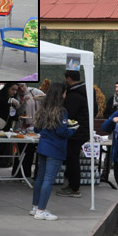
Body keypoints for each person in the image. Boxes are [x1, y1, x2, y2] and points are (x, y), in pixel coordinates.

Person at [30, 83, 76, 221]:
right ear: (61, 94)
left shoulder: (43, 109)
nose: (65, 95)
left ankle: (35, 207)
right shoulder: (61, 111)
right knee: (49, 180)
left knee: (40, 178)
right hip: (55, 148)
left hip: (43, 146)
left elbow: (37, 129)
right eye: (64, 93)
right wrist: (73, 130)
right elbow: (62, 131)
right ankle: (41, 211)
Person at [57, 70, 97, 198]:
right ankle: (72, 185)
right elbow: (95, 110)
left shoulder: (73, 95)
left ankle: (74, 187)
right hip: (83, 129)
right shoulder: (89, 92)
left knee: (72, 159)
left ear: (68, 78)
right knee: (73, 157)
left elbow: (68, 114)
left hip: (75, 131)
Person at [12, 83, 45, 178]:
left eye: (23, 86)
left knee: (31, 151)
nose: (22, 89)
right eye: (19, 87)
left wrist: (41, 97)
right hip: (22, 127)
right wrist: (23, 103)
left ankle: (29, 174)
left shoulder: (34, 91)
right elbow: (17, 113)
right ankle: (19, 174)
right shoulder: (16, 96)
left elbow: (47, 98)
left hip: (36, 126)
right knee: (21, 151)